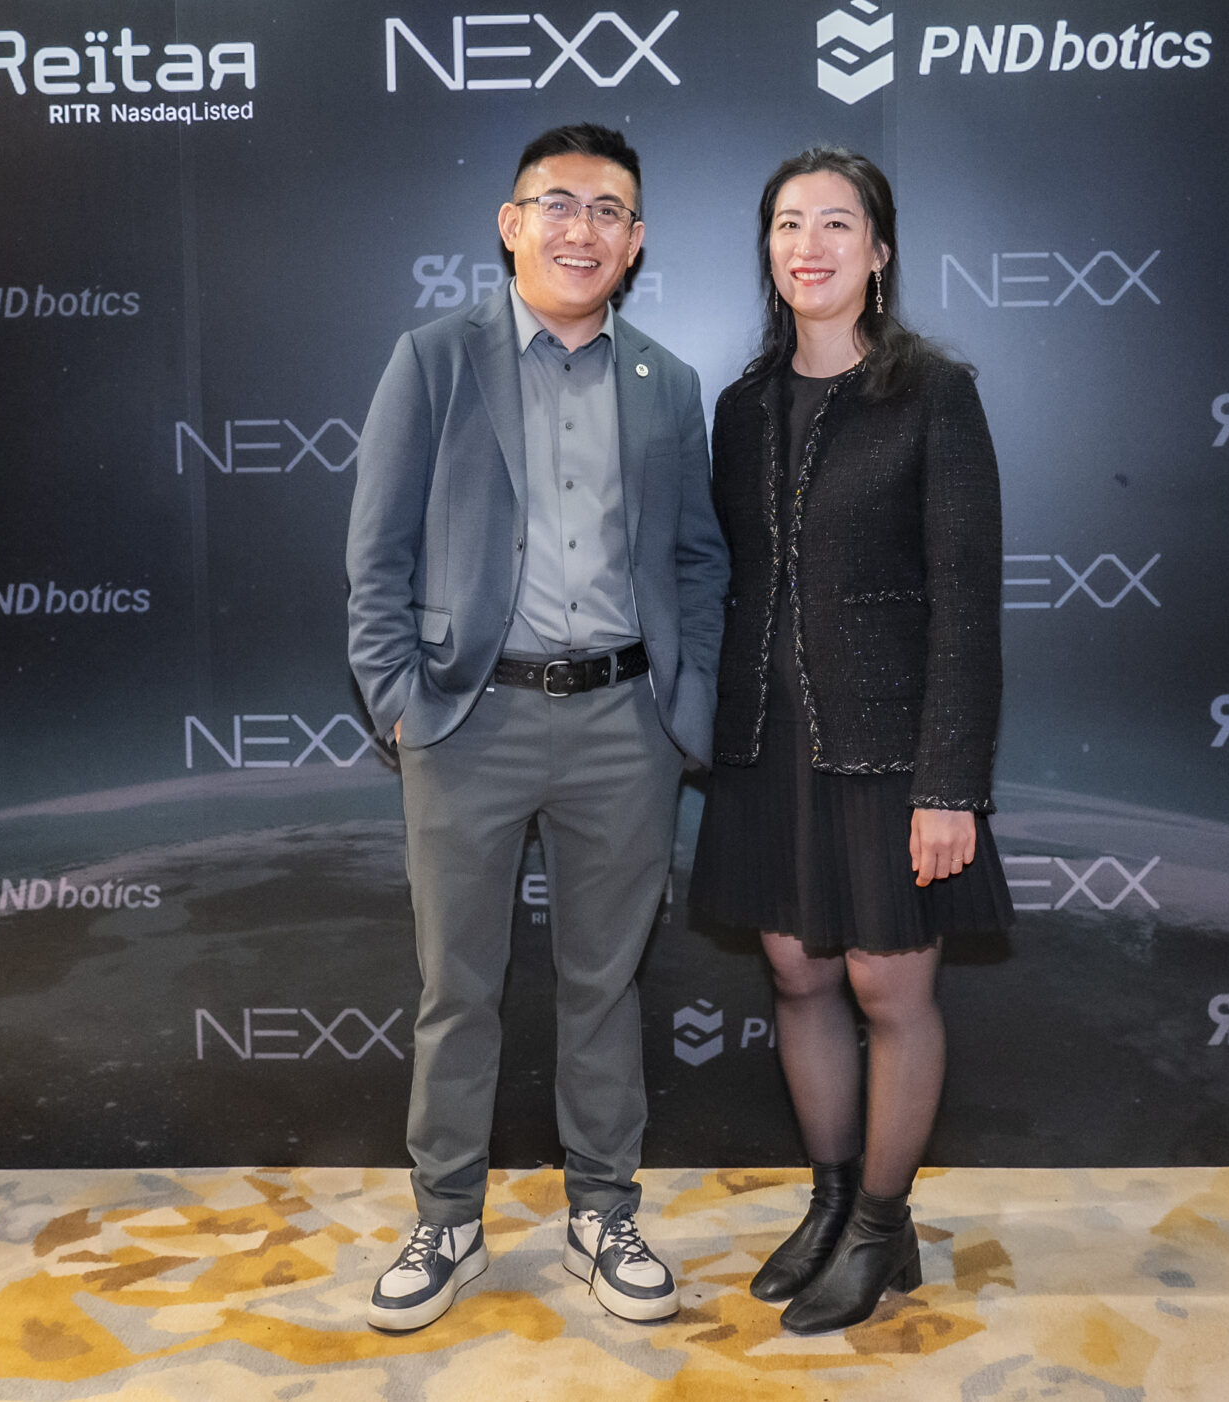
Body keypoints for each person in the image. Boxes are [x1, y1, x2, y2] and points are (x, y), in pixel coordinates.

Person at [345, 123, 729, 1331]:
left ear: (637, 240)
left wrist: (683, 707)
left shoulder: (668, 381)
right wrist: (399, 698)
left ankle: (603, 1212)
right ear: (511, 224)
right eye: (557, 202)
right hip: (468, 720)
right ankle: (447, 1220)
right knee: (456, 987)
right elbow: (376, 553)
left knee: (603, 985)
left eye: (608, 209)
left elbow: (698, 560)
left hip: (624, 723)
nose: (581, 227)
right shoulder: (433, 359)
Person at [687, 144, 1010, 1336]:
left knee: (888, 984)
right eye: (787, 223)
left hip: (891, 748)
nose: (808, 244)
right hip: (765, 744)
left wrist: (949, 782)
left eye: (835, 222)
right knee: (797, 971)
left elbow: (966, 599)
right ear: (767, 251)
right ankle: (830, 1203)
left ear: (878, 250)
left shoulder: (933, 393)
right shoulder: (740, 409)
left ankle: (881, 1224)